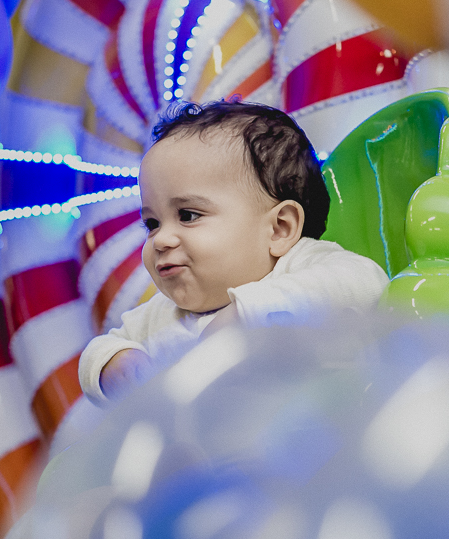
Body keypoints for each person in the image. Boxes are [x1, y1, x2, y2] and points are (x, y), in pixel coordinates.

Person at [78, 101, 389, 404]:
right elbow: (102, 349)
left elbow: (366, 283)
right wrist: (115, 364)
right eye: (152, 223)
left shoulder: (303, 265)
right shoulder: (161, 313)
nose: (161, 240)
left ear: (279, 228)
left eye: (187, 215)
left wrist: (249, 313)